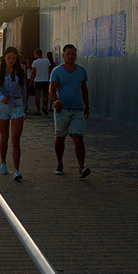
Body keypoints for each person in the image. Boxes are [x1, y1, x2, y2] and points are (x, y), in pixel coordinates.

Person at [49, 44, 91, 179]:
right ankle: (59, 163)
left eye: (73, 54)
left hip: (77, 110)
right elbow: (52, 89)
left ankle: (81, 167)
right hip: (62, 110)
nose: (71, 57)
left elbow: (84, 89)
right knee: (60, 137)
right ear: (63, 55)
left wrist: (86, 106)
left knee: (78, 138)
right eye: (68, 54)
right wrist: (56, 102)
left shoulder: (81, 71)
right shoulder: (57, 71)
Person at [0, 46, 26, 181]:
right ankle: (3, 162)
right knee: (4, 137)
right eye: (9, 58)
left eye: (13, 58)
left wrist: (24, 107)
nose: (11, 60)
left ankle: (16, 169)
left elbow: (23, 89)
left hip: (17, 105)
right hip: (3, 105)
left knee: (16, 138)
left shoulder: (20, 71)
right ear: (4, 58)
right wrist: (1, 97)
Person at [30, 49, 51, 116]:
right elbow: (49, 70)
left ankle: (38, 111)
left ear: (36, 54)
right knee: (45, 96)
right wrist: (49, 78)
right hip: (45, 80)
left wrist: (31, 81)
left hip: (38, 80)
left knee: (37, 96)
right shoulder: (47, 61)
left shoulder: (35, 62)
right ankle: (44, 106)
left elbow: (33, 72)